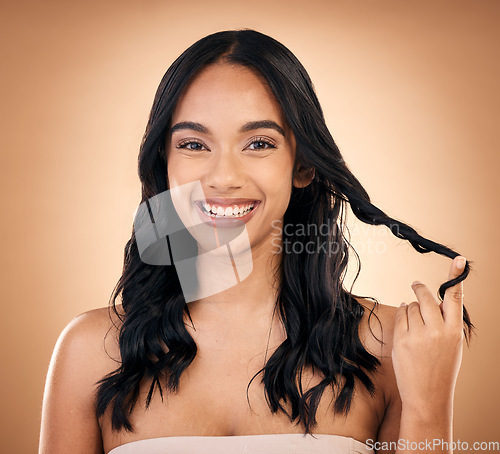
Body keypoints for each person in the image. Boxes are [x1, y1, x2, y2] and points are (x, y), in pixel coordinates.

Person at [38, 29, 475, 454]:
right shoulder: (89, 352)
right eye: (193, 144)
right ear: (163, 164)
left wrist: (428, 407)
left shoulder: (392, 346)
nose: (224, 177)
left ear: (303, 167)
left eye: (258, 143)